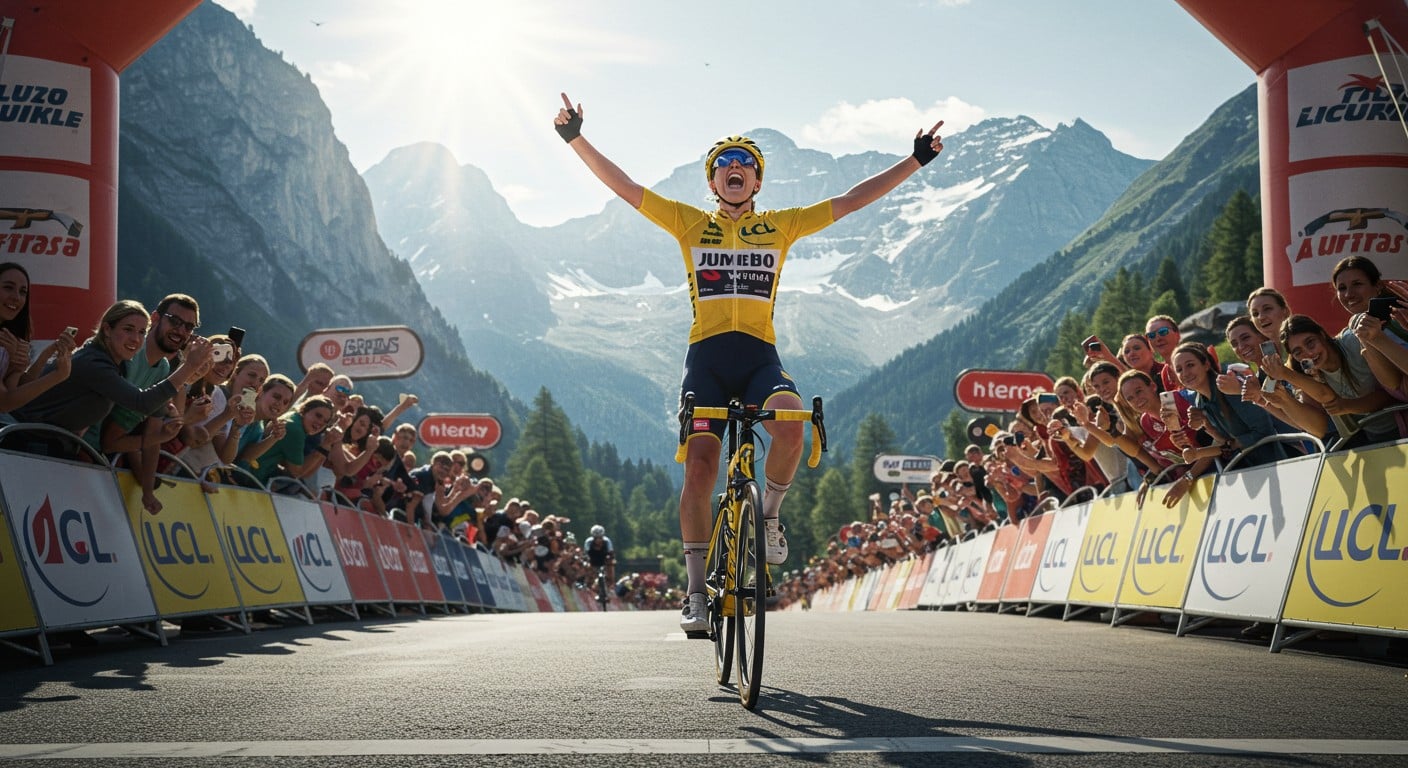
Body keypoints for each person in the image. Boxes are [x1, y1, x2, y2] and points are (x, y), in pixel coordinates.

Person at [553, 92, 946, 634]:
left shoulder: (781, 226)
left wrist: (916, 160)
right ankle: (695, 593)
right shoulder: (689, 224)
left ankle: (768, 517)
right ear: (712, 183)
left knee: (791, 421)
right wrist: (575, 138)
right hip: (707, 361)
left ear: (757, 183)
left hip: (761, 357)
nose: (734, 169)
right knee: (700, 469)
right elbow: (626, 189)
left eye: (745, 166)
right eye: (723, 166)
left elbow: (853, 200)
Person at [12, 300, 211, 461]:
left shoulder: (111, 362)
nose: (135, 339)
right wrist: (189, 367)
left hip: (48, 444)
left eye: (142, 332)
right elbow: (142, 403)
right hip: (23, 442)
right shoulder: (96, 363)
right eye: (128, 329)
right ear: (107, 330)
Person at [0, 262, 76, 419]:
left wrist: (44, 356)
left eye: (23, 292)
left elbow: (15, 391)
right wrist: (58, 375)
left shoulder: (9, 339)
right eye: (8, 287)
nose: (16, 297)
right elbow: (5, 403)